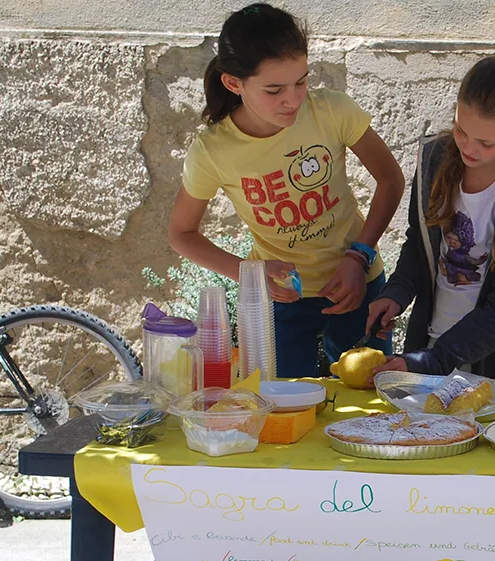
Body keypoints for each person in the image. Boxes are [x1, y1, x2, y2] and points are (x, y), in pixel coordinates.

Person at [168, 3, 404, 379]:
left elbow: (391, 180)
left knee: (370, 409)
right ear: (234, 83)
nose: (292, 100)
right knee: (282, 414)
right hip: (280, 303)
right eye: (274, 89)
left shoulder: (332, 111)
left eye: (301, 81)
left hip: (358, 286)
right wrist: (251, 274)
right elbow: (182, 234)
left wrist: (359, 257)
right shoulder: (212, 151)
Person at [367, 34, 495, 383]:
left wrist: (432, 360)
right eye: (461, 130)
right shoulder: (433, 159)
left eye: (486, 143)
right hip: (431, 347)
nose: (468, 148)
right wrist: (396, 294)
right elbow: (421, 245)